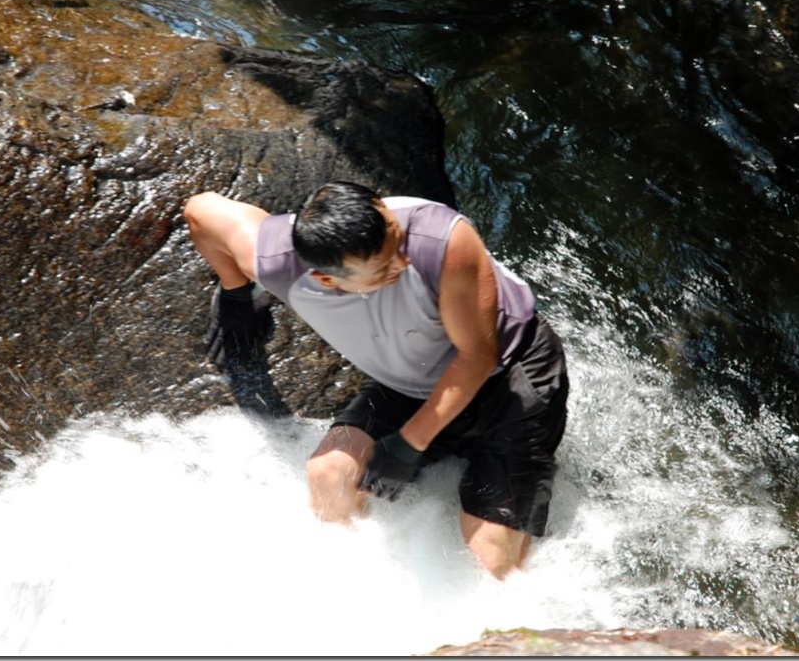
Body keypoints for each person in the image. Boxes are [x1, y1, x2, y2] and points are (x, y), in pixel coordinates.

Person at [184, 182, 568, 578]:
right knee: (328, 476)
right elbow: (201, 211)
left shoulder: (441, 239)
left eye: (396, 238)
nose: (403, 262)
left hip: (512, 374)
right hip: (412, 384)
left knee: (491, 561)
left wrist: (408, 444)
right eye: (384, 269)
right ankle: (358, 584)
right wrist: (236, 296)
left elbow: (477, 357)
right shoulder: (275, 261)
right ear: (328, 280)